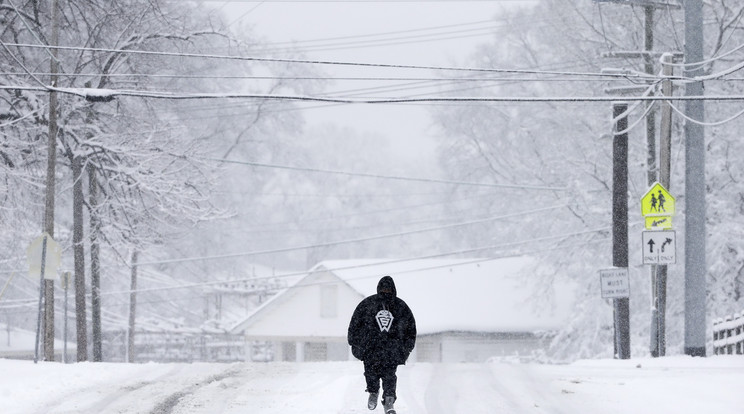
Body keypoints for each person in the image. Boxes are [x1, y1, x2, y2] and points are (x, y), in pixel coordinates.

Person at [348, 276, 416, 414]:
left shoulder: (400, 307)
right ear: (379, 288)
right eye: (383, 288)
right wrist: (355, 344)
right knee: (370, 374)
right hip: (370, 350)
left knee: (389, 376)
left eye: (388, 289)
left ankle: (389, 401)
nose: (386, 291)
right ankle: (373, 392)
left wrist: (406, 348)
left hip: (391, 351)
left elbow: (411, 329)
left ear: (393, 289)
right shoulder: (367, 304)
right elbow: (355, 325)